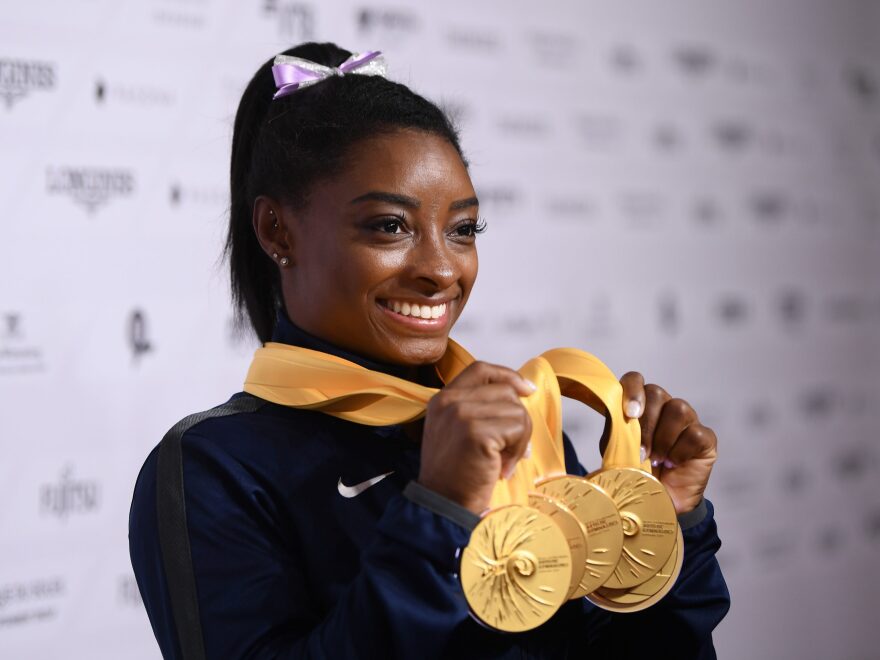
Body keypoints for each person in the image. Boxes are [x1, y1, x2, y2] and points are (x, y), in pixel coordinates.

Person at [129, 42, 730, 659]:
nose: (442, 270)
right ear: (277, 230)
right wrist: (439, 513)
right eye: (391, 225)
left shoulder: (524, 428)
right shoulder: (211, 469)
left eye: (463, 230)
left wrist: (666, 522)